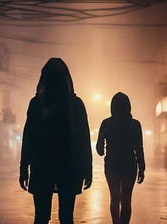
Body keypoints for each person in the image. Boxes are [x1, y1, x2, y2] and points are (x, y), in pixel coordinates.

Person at [19, 58, 92, 224]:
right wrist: (87, 169)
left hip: (42, 166)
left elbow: (29, 138)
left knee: (41, 217)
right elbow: (83, 139)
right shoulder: (76, 104)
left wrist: (24, 168)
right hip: (69, 167)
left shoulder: (37, 103)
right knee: (66, 217)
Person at [96, 92, 145, 224]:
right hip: (130, 165)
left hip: (112, 165)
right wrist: (142, 168)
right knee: (126, 200)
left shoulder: (106, 123)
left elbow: (99, 150)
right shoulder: (135, 125)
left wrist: (105, 146)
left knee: (114, 198)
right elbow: (139, 148)